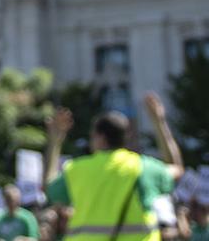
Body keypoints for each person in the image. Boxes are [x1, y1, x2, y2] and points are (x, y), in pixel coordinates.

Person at [41, 93, 185, 241]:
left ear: (100, 138)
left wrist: (55, 142)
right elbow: (177, 169)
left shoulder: (77, 169)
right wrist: (159, 123)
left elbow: (48, 187)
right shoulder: (143, 167)